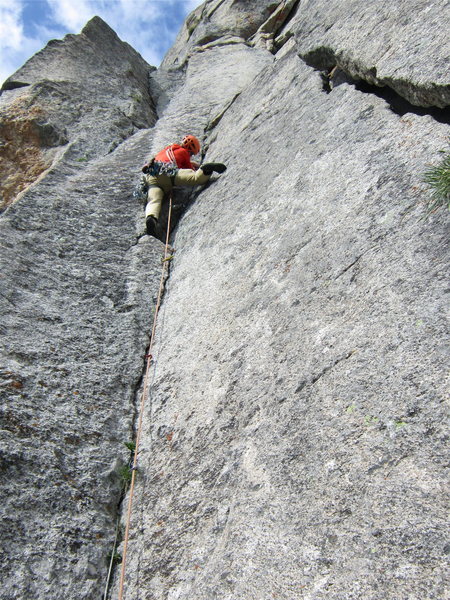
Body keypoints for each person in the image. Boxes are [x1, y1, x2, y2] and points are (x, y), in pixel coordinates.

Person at [142, 135, 226, 237]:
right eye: (191, 154)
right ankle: (206, 169)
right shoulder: (183, 152)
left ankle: (151, 217)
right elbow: (187, 170)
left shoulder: (167, 150)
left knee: (154, 200)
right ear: (190, 150)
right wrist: (195, 166)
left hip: (151, 177)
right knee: (196, 178)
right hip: (168, 173)